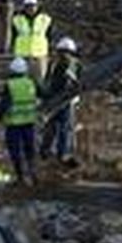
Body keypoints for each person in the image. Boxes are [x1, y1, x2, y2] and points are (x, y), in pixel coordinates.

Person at [0, 55, 40, 186]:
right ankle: (32, 173)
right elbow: (44, 93)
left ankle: (20, 177)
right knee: (29, 149)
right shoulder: (32, 82)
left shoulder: (10, 85)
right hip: (29, 122)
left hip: (14, 124)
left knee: (15, 150)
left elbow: (3, 105)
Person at [40, 36, 82, 166]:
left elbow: (50, 81)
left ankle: (48, 151)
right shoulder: (71, 64)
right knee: (62, 127)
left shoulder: (58, 63)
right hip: (62, 100)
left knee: (56, 127)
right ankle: (60, 153)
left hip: (59, 99)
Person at [11, 0, 52, 81]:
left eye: (33, 6)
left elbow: (49, 36)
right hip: (22, 55)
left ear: (37, 6)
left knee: (40, 80)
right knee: (23, 81)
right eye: (28, 7)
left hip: (40, 55)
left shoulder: (45, 19)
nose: (31, 9)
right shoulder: (17, 19)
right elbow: (13, 36)